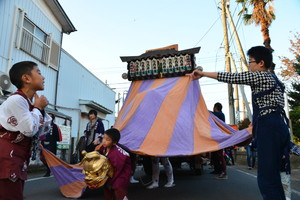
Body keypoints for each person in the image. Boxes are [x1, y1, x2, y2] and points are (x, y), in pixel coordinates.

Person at [190, 46, 290, 200]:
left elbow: (232, 77)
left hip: (269, 127)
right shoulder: (275, 80)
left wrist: (202, 74)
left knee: (267, 177)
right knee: (276, 172)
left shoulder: (261, 76)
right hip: (279, 126)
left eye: (250, 62)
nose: (249, 65)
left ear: (261, 63)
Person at [0, 61, 51, 200]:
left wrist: (38, 108)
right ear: (26, 78)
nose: (43, 77)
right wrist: (38, 108)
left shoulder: (28, 102)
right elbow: (29, 129)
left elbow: (45, 127)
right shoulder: (17, 99)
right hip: (8, 159)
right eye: (39, 73)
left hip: (17, 159)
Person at [98, 128, 131, 200]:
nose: (104, 141)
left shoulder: (116, 154)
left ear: (114, 143)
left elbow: (117, 169)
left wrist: (110, 181)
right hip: (111, 173)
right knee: (107, 191)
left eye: (107, 140)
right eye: (104, 138)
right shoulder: (104, 148)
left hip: (121, 175)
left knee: (119, 192)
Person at [210, 102, 227, 179]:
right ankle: (217, 170)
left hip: (219, 137)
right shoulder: (219, 115)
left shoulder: (220, 114)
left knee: (220, 155)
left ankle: (223, 173)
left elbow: (210, 114)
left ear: (215, 107)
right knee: (215, 155)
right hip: (217, 137)